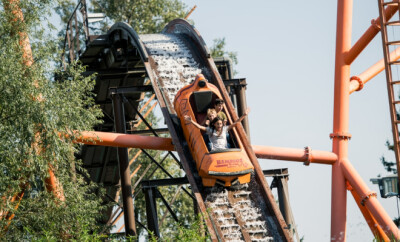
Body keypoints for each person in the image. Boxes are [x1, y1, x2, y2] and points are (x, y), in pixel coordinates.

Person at [184, 108, 250, 151]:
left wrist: (244, 115)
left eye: (220, 124)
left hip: (224, 149)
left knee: (227, 137)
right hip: (215, 151)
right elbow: (199, 127)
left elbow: (236, 123)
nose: (219, 126)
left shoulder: (224, 129)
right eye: (218, 124)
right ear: (214, 124)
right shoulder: (210, 130)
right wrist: (191, 121)